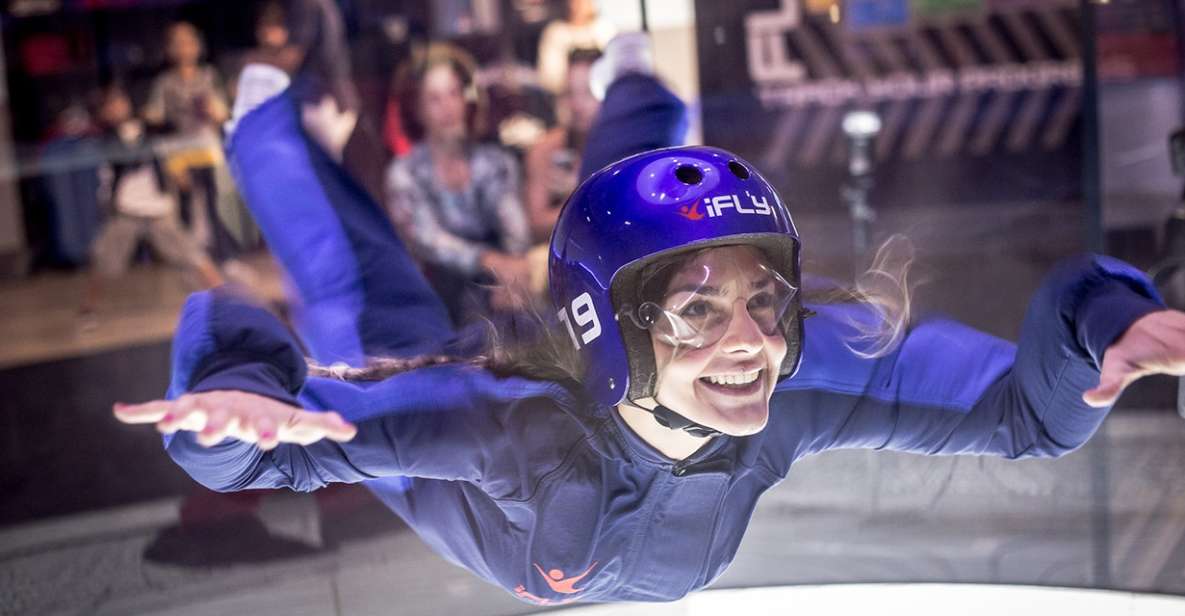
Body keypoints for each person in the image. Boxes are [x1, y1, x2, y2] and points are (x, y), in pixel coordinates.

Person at [114, 44, 1185, 606]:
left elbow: (1019, 413)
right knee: (355, 293)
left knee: (633, 200)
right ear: (611, 334)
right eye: (697, 311)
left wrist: (1102, 326)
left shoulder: (792, 387)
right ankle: (263, 123)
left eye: (764, 300)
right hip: (479, 426)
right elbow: (265, 442)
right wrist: (235, 396)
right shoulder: (505, 426)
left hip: (580, 354)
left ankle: (632, 76)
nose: (750, 341)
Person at [384, 43, 532, 324]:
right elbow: (428, 241)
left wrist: (512, 274)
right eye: (434, 99)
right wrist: (490, 260)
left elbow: (516, 233)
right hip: (437, 298)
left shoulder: (496, 162)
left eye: (454, 93)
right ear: (417, 109)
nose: (448, 108)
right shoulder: (404, 173)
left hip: (502, 288)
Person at [79, 85, 223, 322]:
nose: (117, 108)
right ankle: (88, 310)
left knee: (192, 255)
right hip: (126, 210)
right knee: (104, 261)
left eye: (119, 101)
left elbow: (171, 139)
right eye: (110, 105)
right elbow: (114, 163)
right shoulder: (105, 138)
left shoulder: (149, 128)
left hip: (158, 207)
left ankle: (225, 297)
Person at [143, 22, 238, 264]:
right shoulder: (165, 82)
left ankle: (224, 256)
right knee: (185, 207)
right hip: (179, 151)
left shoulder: (209, 76)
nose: (184, 49)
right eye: (177, 43)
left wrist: (215, 110)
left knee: (217, 202)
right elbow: (155, 114)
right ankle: (192, 260)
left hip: (207, 146)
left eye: (188, 42)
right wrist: (151, 117)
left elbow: (223, 112)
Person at [523, 48, 601, 243]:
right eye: (569, 93)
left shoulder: (627, 144)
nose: (577, 105)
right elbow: (537, 226)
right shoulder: (545, 150)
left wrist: (579, 193)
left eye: (588, 93)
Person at [536, 0, 615, 95]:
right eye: (574, 2)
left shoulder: (604, 29)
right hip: (567, 96)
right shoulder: (556, 33)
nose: (577, 6)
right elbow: (550, 79)